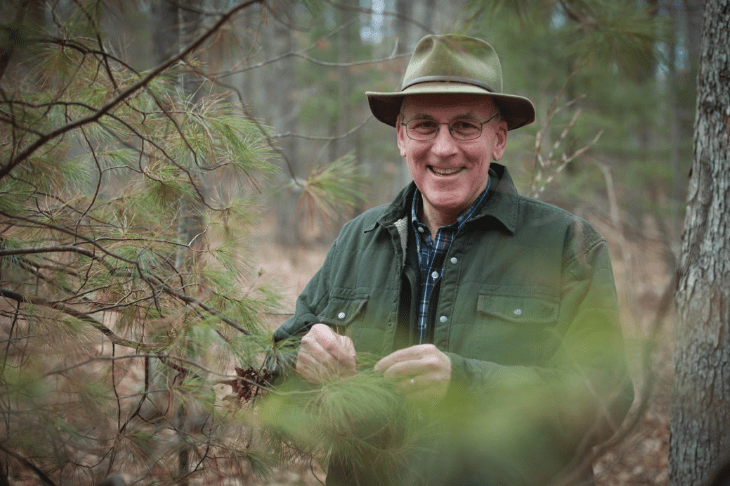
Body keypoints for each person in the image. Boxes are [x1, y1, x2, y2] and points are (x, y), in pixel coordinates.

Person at [271, 34, 634, 486]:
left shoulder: (567, 246)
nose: (443, 148)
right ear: (402, 137)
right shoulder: (358, 240)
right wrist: (302, 360)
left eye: (465, 126)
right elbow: (272, 368)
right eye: (425, 126)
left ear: (498, 139)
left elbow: (606, 404)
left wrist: (464, 382)